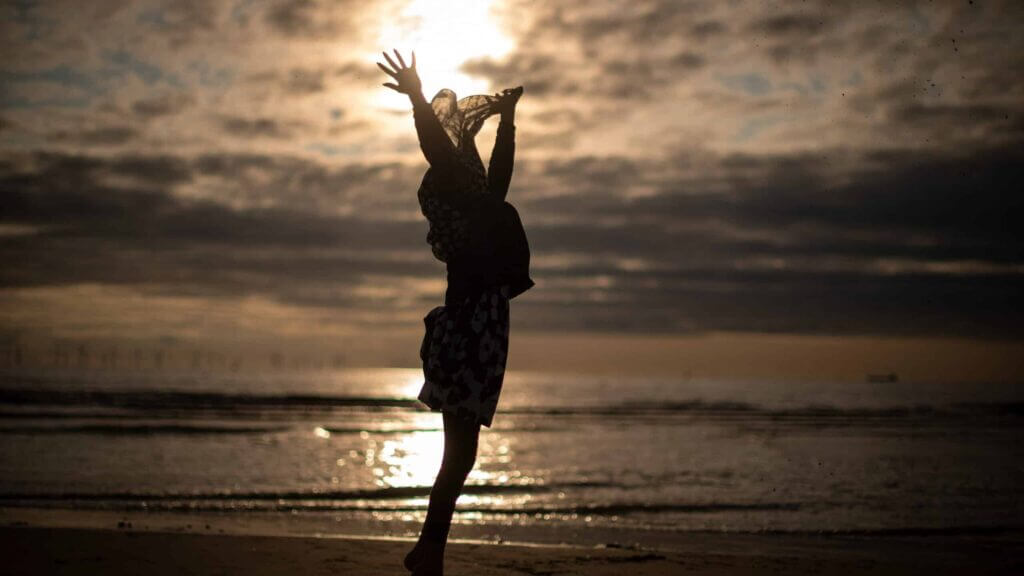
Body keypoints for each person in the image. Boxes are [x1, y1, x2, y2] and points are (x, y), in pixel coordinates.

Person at [377, 49, 533, 575]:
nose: (464, 145)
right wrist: (419, 99)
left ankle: (429, 551)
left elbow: (501, 173)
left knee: (463, 453)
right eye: (461, 139)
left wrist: (507, 122)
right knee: (459, 450)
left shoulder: (480, 200)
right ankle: (428, 552)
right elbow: (435, 150)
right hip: (469, 328)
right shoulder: (454, 192)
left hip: (484, 327)